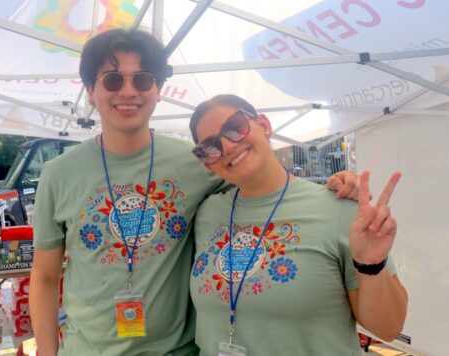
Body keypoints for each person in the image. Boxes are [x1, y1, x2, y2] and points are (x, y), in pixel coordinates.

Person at [29, 28, 360, 356]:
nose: (128, 91)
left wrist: (334, 187)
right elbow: (44, 276)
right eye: (113, 80)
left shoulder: (200, 162)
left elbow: (268, 188)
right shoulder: (58, 175)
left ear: (157, 90)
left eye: (142, 79)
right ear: (90, 90)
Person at [188, 95, 408, 356]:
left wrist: (372, 265)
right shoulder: (206, 214)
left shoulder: (338, 208)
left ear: (264, 124)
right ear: (207, 163)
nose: (227, 146)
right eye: (210, 147)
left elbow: (388, 328)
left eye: (234, 127)